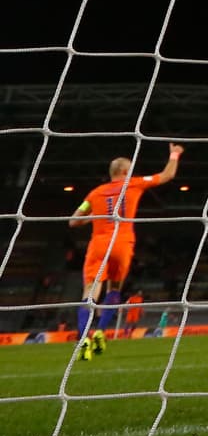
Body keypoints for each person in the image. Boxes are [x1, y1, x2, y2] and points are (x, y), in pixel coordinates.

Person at [69, 144, 183, 360]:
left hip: (99, 245)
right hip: (122, 244)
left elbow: (74, 221)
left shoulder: (95, 193)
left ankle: (84, 336)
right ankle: (101, 332)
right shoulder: (133, 184)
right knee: (114, 289)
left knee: (90, 292)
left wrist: (94, 216)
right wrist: (175, 154)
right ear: (123, 172)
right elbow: (167, 175)